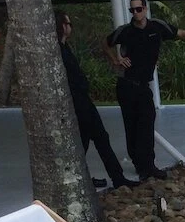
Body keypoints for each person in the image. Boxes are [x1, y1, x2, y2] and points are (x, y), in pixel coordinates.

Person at [103, 0, 185, 181]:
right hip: (126, 86)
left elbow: (182, 34)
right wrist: (115, 59)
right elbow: (106, 43)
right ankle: (140, 166)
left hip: (143, 86)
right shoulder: (125, 31)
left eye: (139, 9)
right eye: (132, 10)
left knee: (147, 125)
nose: (136, 13)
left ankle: (149, 166)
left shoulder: (157, 27)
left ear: (145, 9)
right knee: (132, 127)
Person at [55, 10, 139, 190]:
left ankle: (90, 177)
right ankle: (116, 178)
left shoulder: (64, 48)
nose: (71, 27)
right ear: (62, 26)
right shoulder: (58, 51)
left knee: (90, 140)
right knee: (97, 138)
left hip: (82, 100)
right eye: (69, 24)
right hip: (78, 102)